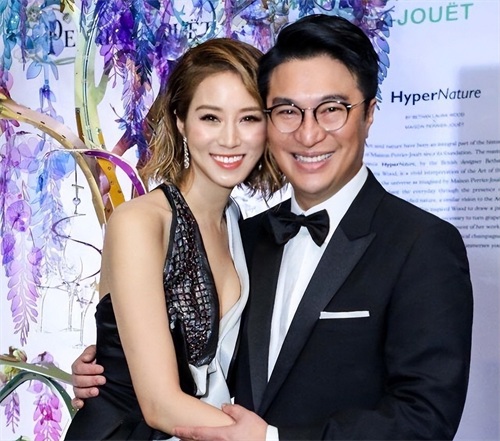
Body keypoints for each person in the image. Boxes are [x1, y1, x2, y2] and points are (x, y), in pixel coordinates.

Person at [71, 15, 474, 440]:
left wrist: (271, 439)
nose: (309, 133)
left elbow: (424, 419)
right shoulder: (254, 236)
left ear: (369, 114)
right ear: (180, 121)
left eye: (331, 110)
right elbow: (163, 383)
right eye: (289, 112)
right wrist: (113, 373)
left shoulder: (422, 244)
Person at [64, 38, 281, 440]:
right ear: (181, 121)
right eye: (210, 117)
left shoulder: (243, 228)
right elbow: (160, 403)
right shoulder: (141, 223)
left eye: (249, 118)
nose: (230, 139)